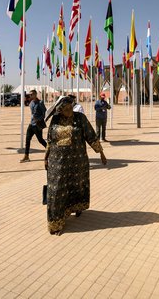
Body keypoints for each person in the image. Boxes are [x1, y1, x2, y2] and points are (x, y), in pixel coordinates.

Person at [44, 95, 107, 235]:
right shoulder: (55, 119)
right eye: (66, 109)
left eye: (70, 108)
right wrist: (46, 157)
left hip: (77, 162)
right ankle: (55, 223)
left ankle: (76, 208)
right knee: (56, 192)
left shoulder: (80, 118)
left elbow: (91, 135)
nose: (69, 111)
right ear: (60, 110)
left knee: (76, 185)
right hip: (57, 163)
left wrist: (101, 152)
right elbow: (50, 140)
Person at [20, 90, 47, 163]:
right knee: (27, 140)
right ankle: (26, 156)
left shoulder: (40, 103)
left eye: (31, 94)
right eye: (30, 94)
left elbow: (45, 113)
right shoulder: (31, 103)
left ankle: (49, 150)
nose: (30, 96)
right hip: (31, 124)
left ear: (35, 95)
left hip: (37, 125)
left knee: (40, 140)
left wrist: (39, 119)